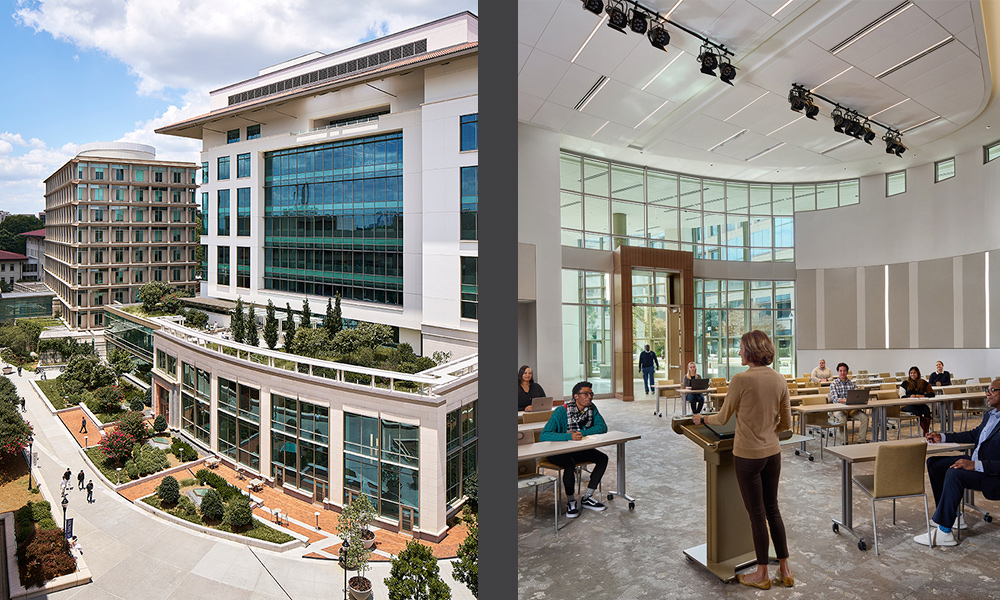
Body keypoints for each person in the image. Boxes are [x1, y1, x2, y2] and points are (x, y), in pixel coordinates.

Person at [693, 331, 793, 589]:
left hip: (748, 456)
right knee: (773, 510)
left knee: (757, 515)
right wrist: (766, 430)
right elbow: (787, 424)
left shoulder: (740, 380)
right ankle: (785, 569)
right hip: (773, 453)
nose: (738, 352)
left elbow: (723, 417)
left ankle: (761, 575)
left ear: (750, 351)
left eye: (740, 348)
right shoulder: (780, 379)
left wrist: (701, 419)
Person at [915, 379, 1000, 547]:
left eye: (992, 390)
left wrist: (974, 465)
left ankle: (944, 532)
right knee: (934, 463)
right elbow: (972, 435)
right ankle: (951, 516)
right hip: (979, 463)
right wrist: (943, 437)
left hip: (992, 473)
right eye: (987, 390)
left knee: (954, 473)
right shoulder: (991, 415)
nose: (987, 394)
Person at [540, 381, 609, 518]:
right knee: (569, 463)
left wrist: (581, 433)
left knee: (603, 458)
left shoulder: (591, 408)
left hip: (577, 449)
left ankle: (587, 497)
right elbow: (544, 435)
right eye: (585, 394)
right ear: (576, 396)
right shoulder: (561, 411)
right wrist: (568, 436)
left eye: (591, 394)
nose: (589, 397)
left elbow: (602, 427)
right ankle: (571, 501)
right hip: (557, 452)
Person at [828, 362, 869, 443]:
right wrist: (845, 400)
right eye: (840, 371)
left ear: (847, 372)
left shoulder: (851, 384)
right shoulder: (834, 384)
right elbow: (835, 399)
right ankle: (844, 442)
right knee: (843, 419)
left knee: (865, 418)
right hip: (839, 409)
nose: (842, 373)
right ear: (838, 372)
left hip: (851, 409)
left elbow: (857, 396)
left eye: (844, 371)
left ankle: (861, 440)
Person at [901, 366, 935, 436]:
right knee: (917, 411)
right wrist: (910, 396)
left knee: (927, 410)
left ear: (918, 374)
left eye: (914, 373)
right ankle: (927, 432)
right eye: (911, 373)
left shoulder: (923, 382)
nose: (912, 374)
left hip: (919, 403)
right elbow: (901, 396)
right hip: (907, 405)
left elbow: (932, 393)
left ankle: (926, 432)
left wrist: (921, 396)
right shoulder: (905, 383)